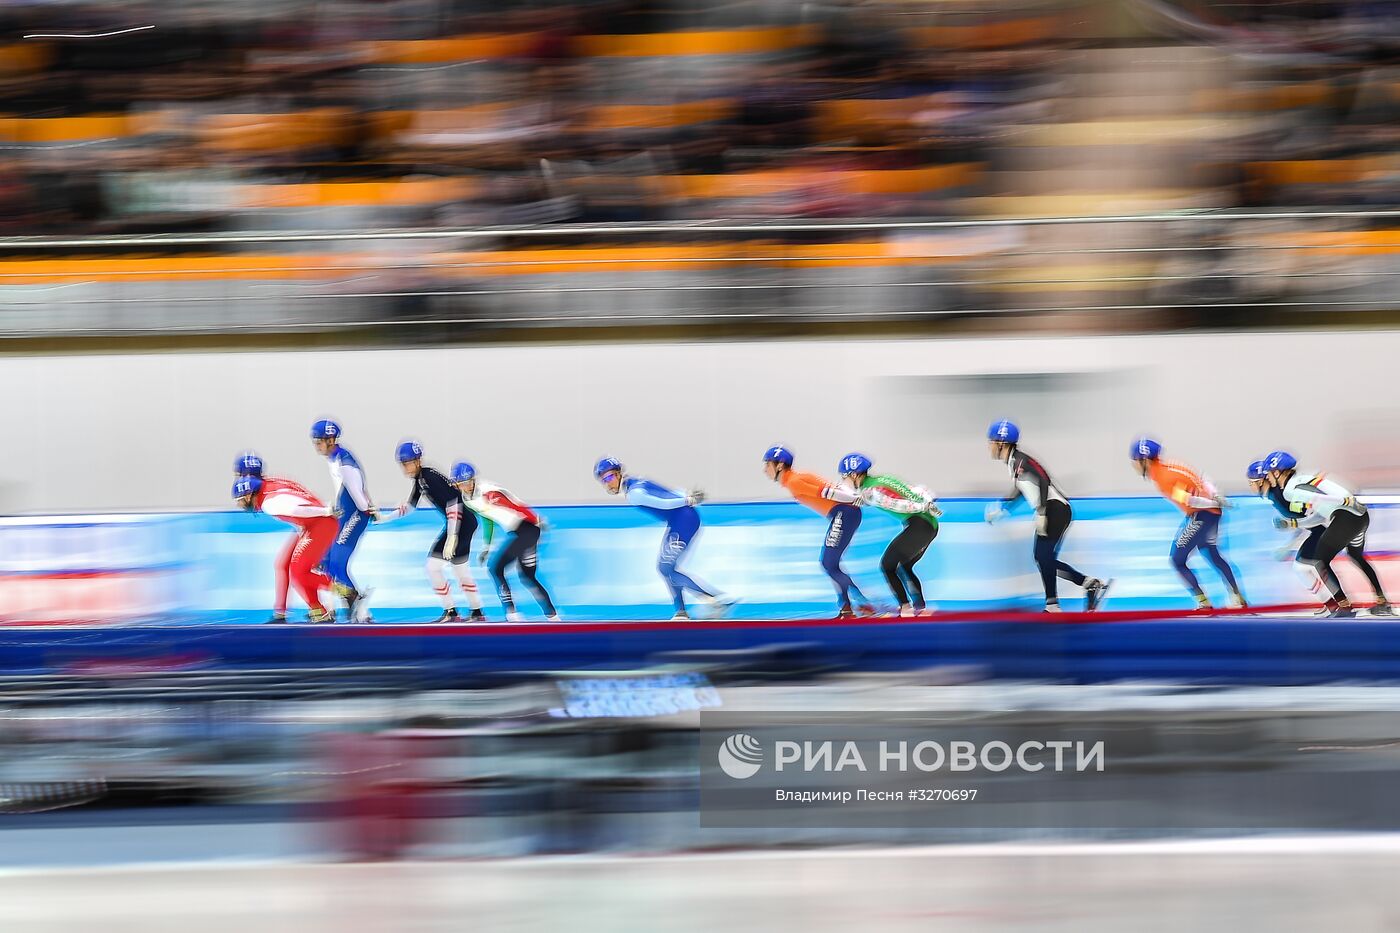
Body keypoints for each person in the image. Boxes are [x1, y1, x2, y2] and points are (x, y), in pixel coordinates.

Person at [984, 420, 1110, 613]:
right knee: (1043, 558)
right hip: (1053, 509)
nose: (989, 445)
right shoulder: (1014, 462)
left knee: (1043, 558)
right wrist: (1003, 508)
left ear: (1002, 443)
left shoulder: (1020, 460)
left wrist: (1042, 511)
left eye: (992, 441)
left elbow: (1043, 479)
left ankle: (1054, 604)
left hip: (1055, 509)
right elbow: (1022, 488)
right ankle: (1089, 584)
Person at [594, 457, 735, 621]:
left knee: (666, 567)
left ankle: (714, 600)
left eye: (610, 477)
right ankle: (683, 611)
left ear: (619, 474)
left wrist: (687, 500)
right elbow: (668, 492)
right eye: (603, 480)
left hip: (684, 520)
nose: (607, 483)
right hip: (681, 519)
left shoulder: (634, 493)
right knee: (666, 568)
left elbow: (663, 503)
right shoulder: (636, 481)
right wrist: (686, 496)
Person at [1264, 450, 1393, 618]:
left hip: (1346, 517)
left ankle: (1344, 607)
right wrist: (1293, 523)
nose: (1268, 478)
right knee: (1356, 556)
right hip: (1359, 517)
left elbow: (1321, 500)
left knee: (1319, 560)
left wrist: (1344, 501)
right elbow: (1319, 514)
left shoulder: (1290, 490)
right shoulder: (1300, 479)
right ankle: (1382, 602)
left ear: (1276, 472)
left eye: (1268, 474)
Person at [1131, 437, 1246, 610]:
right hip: (1210, 513)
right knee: (1211, 553)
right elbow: (1202, 477)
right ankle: (1237, 597)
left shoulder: (1162, 478)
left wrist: (1214, 502)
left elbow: (1190, 500)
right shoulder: (1171, 465)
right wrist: (1215, 496)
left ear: (1144, 460)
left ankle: (1203, 602)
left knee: (1177, 560)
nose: (1134, 466)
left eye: (1135, 461)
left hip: (1202, 513)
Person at [762, 445, 875, 619]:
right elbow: (833, 488)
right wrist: (854, 500)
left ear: (779, 465)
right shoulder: (796, 478)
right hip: (846, 513)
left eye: (767, 464)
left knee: (829, 563)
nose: (764, 470)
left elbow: (829, 493)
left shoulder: (794, 481)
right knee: (831, 564)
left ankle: (862, 604)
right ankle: (848, 608)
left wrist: (855, 499)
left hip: (844, 513)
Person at [451, 462, 560, 622]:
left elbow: (516, 506)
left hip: (528, 528)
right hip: (521, 532)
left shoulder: (488, 493)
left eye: (468, 482)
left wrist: (536, 520)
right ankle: (553, 617)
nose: (466, 487)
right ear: (456, 484)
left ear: (474, 479)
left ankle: (512, 614)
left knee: (495, 568)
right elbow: (487, 519)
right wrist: (487, 546)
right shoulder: (468, 499)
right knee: (528, 577)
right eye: (462, 484)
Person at [393, 441, 487, 623]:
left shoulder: (429, 477)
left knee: (433, 567)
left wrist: (452, 537)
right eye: (402, 464)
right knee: (460, 570)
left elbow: (454, 503)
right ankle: (476, 612)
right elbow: (411, 506)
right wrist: (384, 518)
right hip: (464, 523)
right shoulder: (421, 479)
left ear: (417, 461)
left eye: (407, 463)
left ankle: (452, 612)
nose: (405, 467)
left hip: (461, 523)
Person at [837, 453, 940, 618]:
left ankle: (906, 608)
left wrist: (921, 506)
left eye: (845, 477)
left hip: (919, 525)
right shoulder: (883, 479)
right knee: (904, 567)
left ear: (854, 475)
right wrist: (928, 502)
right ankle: (920, 608)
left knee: (887, 565)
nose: (844, 481)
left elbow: (896, 505)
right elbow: (918, 489)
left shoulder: (870, 490)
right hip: (929, 525)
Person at [233, 474, 336, 624]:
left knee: (298, 572)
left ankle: (342, 592)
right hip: (314, 524)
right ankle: (317, 611)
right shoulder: (271, 484)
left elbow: (295, 510)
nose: (240, 505)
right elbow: (299, 494)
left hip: (319, 524)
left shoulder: (268, 503)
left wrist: (325, 511)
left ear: (248, 495)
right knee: (289, 567)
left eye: (240, 501)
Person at [311, 419, 376, 623]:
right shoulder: (334, 458)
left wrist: (367, 509)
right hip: (346, 514)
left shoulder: (343, 461)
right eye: (315, 441)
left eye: (319, 441)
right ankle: (346, 605)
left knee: (338, 563)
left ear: (330, 440)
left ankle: (361, 609)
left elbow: (357, 491)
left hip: (357, 514)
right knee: (326, 563)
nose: (316, 445)